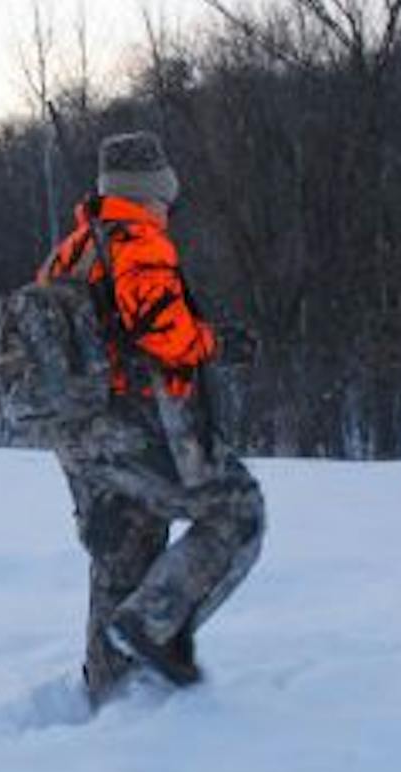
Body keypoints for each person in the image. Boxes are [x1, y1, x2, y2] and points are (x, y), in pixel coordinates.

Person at [37, 131, 266, 704]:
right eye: (167, 191)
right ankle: (153, 624)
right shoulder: (140, 242)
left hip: (74, 432)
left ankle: (111, 701)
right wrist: (219, 343)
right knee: (236, 511)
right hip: (130, 425)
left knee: (122, 553)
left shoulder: (72, 249)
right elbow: (165, 336)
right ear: (155, 189)